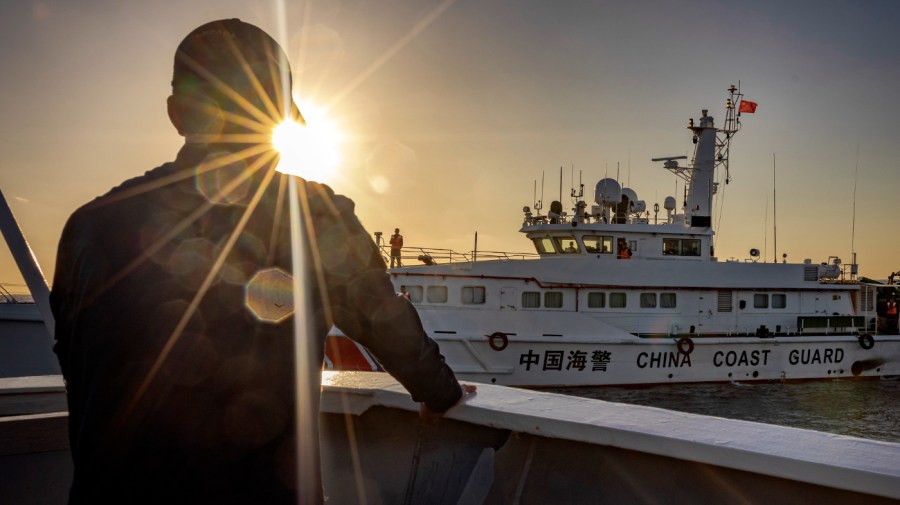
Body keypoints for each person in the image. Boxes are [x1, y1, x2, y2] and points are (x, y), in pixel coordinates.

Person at [50, 19, 470, 505]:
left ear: (175, 115)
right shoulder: (314, 215)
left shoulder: (87, 226)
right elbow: (391, 329)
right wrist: (442, 394)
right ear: (282, 121)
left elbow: (76, 364)